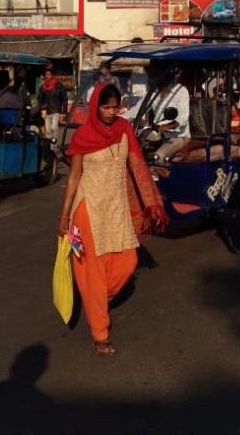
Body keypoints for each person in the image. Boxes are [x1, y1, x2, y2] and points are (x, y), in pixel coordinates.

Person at [58, 84, 168, 354]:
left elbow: (137, 164)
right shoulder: (83, 135)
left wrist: (151, 199)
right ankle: (100, 333)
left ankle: (93, 298)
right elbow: (74, 177)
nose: (110, 112)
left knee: (127, 262)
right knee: (93, 273)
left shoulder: (124, 130)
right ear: (95, 106)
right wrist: (64, 214)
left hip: (116, 210)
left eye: (114, 107)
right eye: (105, 107)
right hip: (88, 210)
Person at [146, 69, 191, 162]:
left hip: (179, 136)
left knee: (158, 156)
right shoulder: (152, 92)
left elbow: (183, 117)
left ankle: (157, 176)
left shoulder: (181, 91)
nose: (153, 77)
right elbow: (139, 108)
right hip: (158, 135)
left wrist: (169, 126)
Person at [36, 66, 67, 140]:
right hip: (46, 110)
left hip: (56, 109)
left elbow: (64, 98)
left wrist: (64, 111)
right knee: (48, 129)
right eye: (46, 75)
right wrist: (40, 107)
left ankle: (54, 143)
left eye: (49, 74)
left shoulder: (59, 85)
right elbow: (39, 98)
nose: (47, 76)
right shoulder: (42, 87)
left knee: (54, 127)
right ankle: (48, 145)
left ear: (52, 75)